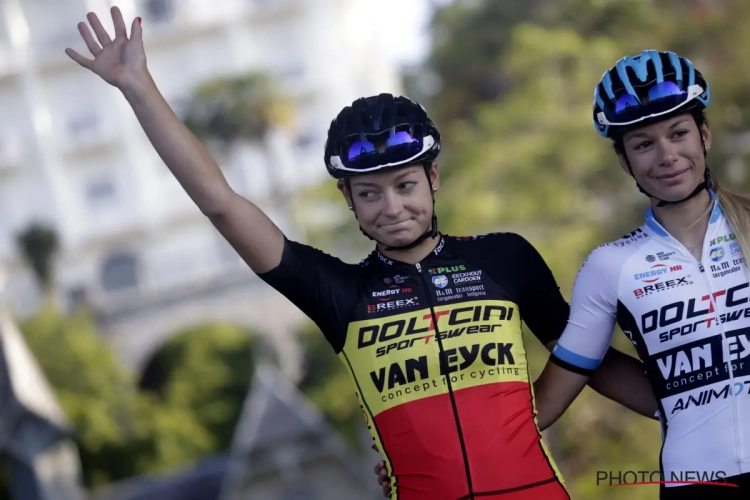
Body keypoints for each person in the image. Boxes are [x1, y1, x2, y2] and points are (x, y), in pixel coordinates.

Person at [66, 8, 657, 499]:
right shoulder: (337, 291)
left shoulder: (505, 259)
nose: (391, 207)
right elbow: (222, 204)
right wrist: (139, 87)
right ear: (348, 200)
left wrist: (705, 399)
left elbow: (590, 362)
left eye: (405, 185)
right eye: (368, 193)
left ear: (434, 179)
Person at [532, 49, 750, 499]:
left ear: (704, 135)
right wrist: (418, 455)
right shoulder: (611, 266)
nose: (667, 155)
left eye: (678, 133)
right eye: (644, 144)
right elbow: (545, 404)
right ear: (624, 161)